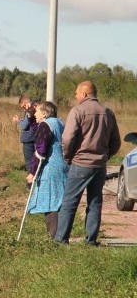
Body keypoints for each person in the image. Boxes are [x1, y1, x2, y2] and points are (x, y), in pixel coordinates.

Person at [54, 81, 121, 245]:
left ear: (84, 94)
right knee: (95, 202)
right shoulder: (108, 113)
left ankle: (61, 240)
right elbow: (116, 142)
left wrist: (68, 157)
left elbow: (68, 138)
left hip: (80, 163)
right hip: (99, 165)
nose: (75, 97)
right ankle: (91, 240)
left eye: (77, 93)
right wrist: (105, 155)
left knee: (70, 201)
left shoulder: (77, 111)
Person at [24, 101, 68, 238]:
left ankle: (54, 237)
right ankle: (60, 235)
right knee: (59, 200)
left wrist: (32, 171)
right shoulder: (59, 122)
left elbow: (41, 149)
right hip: (62, 165)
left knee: (51, 201)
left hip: (51, 167)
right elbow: (36, 129)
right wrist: (30, 115)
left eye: (37, 111)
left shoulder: (46, 124)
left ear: (44, 113)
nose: (35, 114)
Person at [12, 95, 37, 186]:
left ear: (24, 103)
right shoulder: (37, 107)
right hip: (36, 138)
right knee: (37, 161)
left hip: (29, 140)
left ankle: (31, 183)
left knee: (29, 162)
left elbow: (25, 126)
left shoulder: (29, 109)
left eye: (22, 106)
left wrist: (18, 121)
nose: (23, 108)